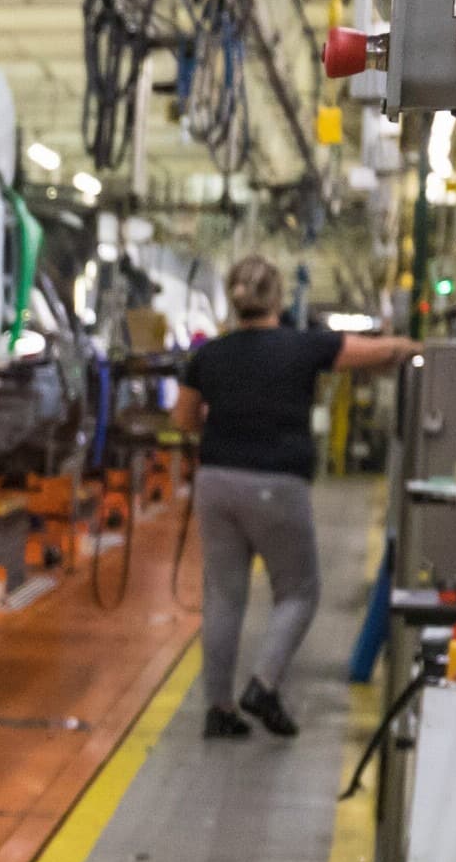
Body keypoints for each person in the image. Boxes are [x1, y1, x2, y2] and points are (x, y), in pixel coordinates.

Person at [172, 256, 417, 740]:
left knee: (223, 596)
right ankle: (263, 683)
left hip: (216, 481)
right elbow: (375, 352)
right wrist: (415, 346)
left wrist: (226, 432)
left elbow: (183, 419)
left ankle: (219, 710)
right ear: (278, 299)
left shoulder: (209, 355)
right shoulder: (303, 347)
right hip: (276, 484)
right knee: (299, 592)